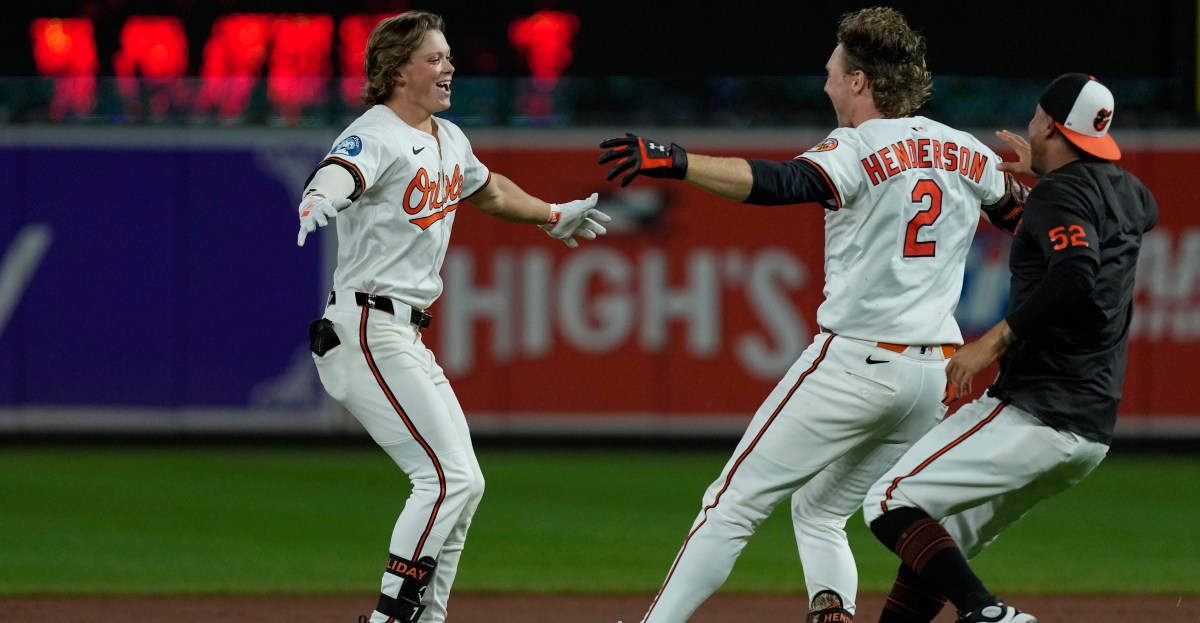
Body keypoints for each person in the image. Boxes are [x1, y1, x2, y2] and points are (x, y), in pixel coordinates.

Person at [597, 7, 1026, 623]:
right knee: (820, 510)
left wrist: (679, 160)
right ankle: (832, 612)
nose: (825, 83)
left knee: (731, 504)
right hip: (932, 376)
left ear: (859, 81)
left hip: (856, 361)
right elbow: (1025, 221)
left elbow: (782, 183)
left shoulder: (856, 145)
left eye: (833, 72)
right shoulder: (966, 149)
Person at [295, 11, 609, 623]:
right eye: (435, 57)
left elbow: (488, 189)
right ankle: (392, 616)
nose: (449, 68)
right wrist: (319, 196)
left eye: (448, 56)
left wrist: (550, 213)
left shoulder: (447, 138)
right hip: (366, 327)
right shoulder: (378, 132)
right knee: (446, 480)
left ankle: (427, 617)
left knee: (464, 484)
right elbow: (339, 171)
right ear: (395, 70)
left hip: (403, 332)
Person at [863, 73, 1158, 623]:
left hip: (1036, 409)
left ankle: (986, 612)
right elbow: (1128, 211)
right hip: (1088, 433)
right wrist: (1050, 176)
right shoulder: (1130, 193)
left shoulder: (1061, 193)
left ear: (1048, 124)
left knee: (888, 499)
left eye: (1035, 118)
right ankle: (978, 608)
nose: (1028, 126)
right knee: (939, 546)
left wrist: (990, 344)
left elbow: (1074, 274)